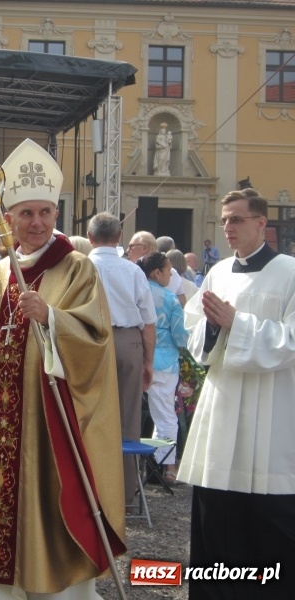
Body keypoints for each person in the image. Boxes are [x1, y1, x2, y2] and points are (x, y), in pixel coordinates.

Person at [0, 138, 125, 598]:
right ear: (10, 218)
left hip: (44, 421)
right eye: (26, 214)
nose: (37, 223)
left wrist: (52, 318)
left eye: (45, 213)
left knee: (43, 510)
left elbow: (96, 337)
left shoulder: (77, 268)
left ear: (57, 216)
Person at [179, 188, 295, 599]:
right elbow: (193, 333)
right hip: (223, 404)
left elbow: (292, 340)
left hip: (273, 408)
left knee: (270, 519)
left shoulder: (290, 272)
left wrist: (235, 323)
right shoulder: (218, 272)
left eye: (237, 219)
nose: (227, 227)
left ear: (262, 223)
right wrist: (212, 328)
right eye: (225, 219)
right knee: (216, 513)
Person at [87, 212, 157, 508]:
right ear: (119, 238)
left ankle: (91, 490)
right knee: (128, 416)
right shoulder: (132, 271)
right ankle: (124, 493)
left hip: (90, 341)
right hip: (128, 341)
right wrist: (148, 361)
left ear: (90, 237)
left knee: (89, 414)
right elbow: (148, 321)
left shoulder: (82, 266)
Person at [137, 252, 189, 484]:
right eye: (168, 271)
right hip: (163, 361)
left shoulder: (135, 291)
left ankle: (133, 469)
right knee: (166, 415)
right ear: (157, 272)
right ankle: (167, 468)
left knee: (128, 415)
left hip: (133, 357)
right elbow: (181, 335)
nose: (170, 275)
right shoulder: (169, 298)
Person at [127, 230, 187, 307]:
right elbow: (182, 303)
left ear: (144, 248)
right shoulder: (172, 272)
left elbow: (182, 302)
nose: (127, 250)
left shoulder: (131, 271)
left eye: (131, 246)